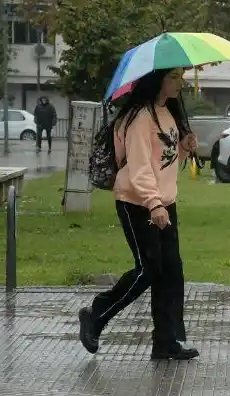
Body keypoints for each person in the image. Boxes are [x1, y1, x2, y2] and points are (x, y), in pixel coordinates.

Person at [77, 68, 200, 360]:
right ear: (158, 81)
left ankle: (166, 342)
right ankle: (96, 314)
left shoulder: (166, 113)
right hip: (138, 202)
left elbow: (163, 161)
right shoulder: (139, 119)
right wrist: (153, 204)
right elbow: (140, 168)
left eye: (180, 76)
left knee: (171, 272)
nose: (179, 83)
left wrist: (183, 147)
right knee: (148, 268)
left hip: (163, 202)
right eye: (173, 77)